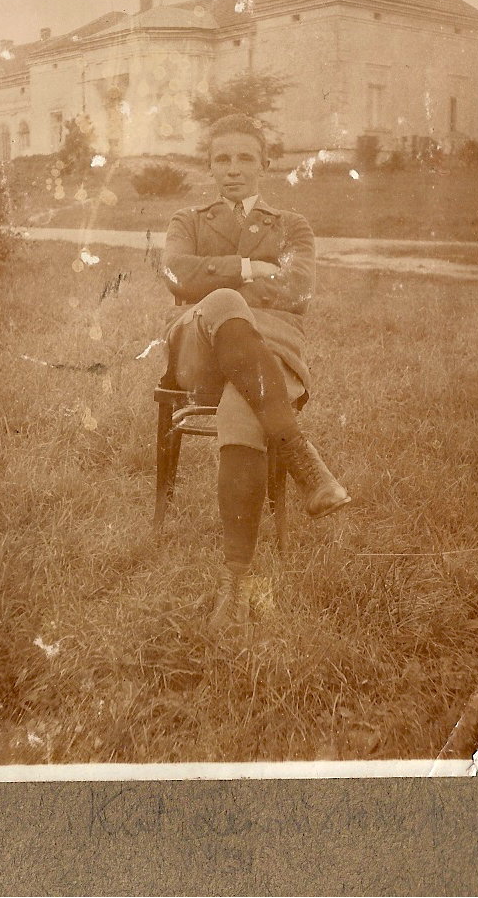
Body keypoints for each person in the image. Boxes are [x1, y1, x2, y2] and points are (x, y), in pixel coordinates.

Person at [160, 113, 350, 634]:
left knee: (243, 405)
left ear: (264, 164)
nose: (233, 169)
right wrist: (248, 271)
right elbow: (176, 274)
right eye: (222, 159)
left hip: (271, 352)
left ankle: (236, 583)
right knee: (223, 301)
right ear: (209, 165)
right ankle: (301, 457)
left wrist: (211, 280)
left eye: (245, 158)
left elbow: (298, 290)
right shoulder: (186, 220)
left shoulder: (292, 226)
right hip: (199, 354)